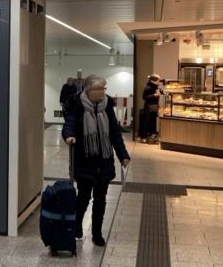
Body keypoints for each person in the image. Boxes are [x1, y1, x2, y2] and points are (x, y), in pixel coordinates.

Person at [62, 75, 130, 246]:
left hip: (104, 160)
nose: (102, 92)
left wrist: (123, 155)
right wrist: (69, 136)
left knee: (100, 199)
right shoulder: (77, 104)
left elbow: (114, 132)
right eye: (98, 89)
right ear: (88, 90)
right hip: (85, 160)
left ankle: (97, 234)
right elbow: (69, 124)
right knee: (83, 197)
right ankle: (77, 226)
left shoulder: (107, 106)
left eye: (103, 88)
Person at [140, 74, 163, 143]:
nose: (160, 81)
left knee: (153, 121)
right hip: (148, 107)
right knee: (146, 122)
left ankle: (152, 135)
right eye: (159, 80)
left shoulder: (156, 86)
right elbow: (144, 97)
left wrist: (162, 92)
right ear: (154, 80)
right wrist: (154, 95)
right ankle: (143, 137)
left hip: (155, 106)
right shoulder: (148, 87)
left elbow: (159, 92)